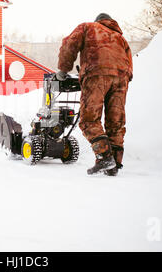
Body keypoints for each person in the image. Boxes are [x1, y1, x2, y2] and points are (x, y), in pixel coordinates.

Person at [56, 13, 133, 176]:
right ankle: (114, 164)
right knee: (116, 122)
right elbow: (129, 62)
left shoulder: (88, 27)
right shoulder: (121, 38)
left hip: (97, 74)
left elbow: (70, 44)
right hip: (122, 78)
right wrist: (123, 78)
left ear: (98, 21)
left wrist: (63, 68)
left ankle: (105, 157)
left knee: (89, 120)